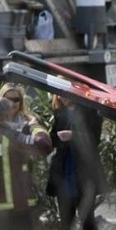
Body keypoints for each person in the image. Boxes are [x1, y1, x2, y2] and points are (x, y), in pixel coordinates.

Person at [46, 94, 107, 230]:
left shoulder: (90, 111)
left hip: (84, 172)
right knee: (66, 219)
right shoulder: (60, 113)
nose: (63, 98)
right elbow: (53, 139)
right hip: (64, 172)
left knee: (88, 219)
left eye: (66, 94)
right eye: (59, 95)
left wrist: (73, 135)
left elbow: (94, 139)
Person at [0, 83, 52, 228]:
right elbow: (44, 144)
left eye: (16, 99)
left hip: (23, 191)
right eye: (7, 99)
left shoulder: (27, 121)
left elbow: (43, 148)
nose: (12, 103)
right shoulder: (16, 134)